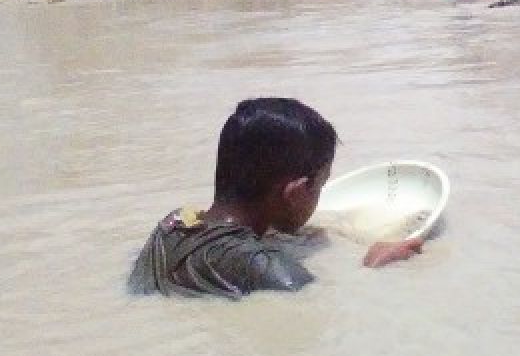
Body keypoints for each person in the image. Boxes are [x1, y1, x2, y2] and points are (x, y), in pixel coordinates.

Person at [127, 98, 423, 299]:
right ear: (295, 193)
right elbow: (308, 302)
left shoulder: (174, 224)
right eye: (319, 186)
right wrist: (371, 269)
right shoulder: (269, 268)